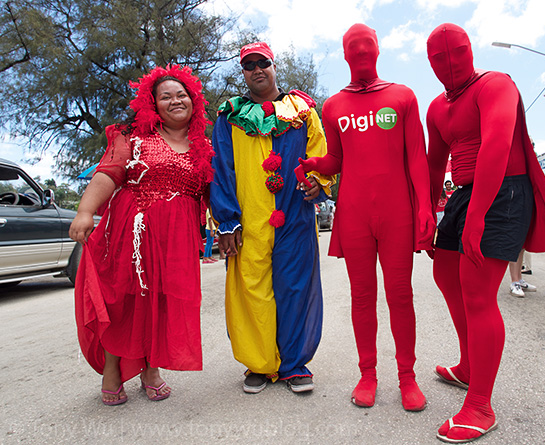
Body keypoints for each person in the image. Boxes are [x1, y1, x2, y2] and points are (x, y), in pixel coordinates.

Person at [425, 23, 545, 443]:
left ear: (470, 50)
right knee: (445, 276)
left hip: (504, 191)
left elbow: (496, 144)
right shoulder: (437, 107)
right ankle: (469, 367)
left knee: (477, 291)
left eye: (457, 53)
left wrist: (478, 217)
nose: (449, 63)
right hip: (464, 194)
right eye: (438, 58)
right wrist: (426, 217)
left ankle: (480, 405)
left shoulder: (496, 85)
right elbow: (437, 165)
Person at [299, 24, 434, 411]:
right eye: (353, 48)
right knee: (362, 296)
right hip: (355, 212)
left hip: (397, 213)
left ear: (378, 50)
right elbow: (338, 159)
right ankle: (368, 374)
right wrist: (316, 163)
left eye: (368, 46)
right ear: (344, 55)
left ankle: (407, 377)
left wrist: (425, 206)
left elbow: (416, 158)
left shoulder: (403, 97)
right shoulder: (334, 106)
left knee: (400, 294)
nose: (361, 52)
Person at [69, 65, 213, 405]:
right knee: (124, 298)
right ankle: (112, 368)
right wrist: (85, 211)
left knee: (163, 300)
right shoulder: (134, 138)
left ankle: (151, 368)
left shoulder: (204, 146)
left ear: (194, 102)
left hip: (179, 235)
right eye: (166, 97)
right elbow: (109, 173)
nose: (176, 101)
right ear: (153, 104)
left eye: (182, 95)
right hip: (134, 227)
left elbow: (215, 194)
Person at [210, 42, 334, 394]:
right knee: (252, 288)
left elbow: (320, 154)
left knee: (294, 286)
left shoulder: (303, 110)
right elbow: (221, 169)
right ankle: (259, 363)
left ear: (273, 65)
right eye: (248, 66)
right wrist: (227, 220)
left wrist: (318, 182)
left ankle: (293, 364)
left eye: (262, 62)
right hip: (248, 217)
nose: (256, 70)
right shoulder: (229, 117)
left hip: (294, 214)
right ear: (243, 73)